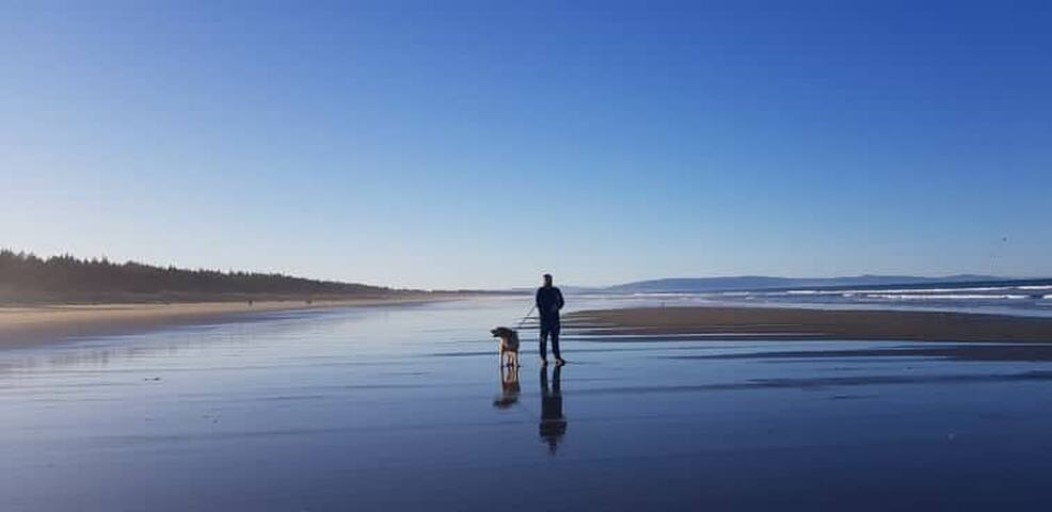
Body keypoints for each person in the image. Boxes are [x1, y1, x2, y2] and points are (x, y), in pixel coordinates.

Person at [535, 273, 565, 365]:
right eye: (546, 280)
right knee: (543, 340)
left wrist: (557, 306)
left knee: (555, 340)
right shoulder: (540, 291)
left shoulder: (556, 290)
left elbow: (562, 302)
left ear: (551, 280)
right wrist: (546, 309)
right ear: (543, 281)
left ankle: (557, 357)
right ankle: (543, 358)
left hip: (555, 319)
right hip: (544, 319)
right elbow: (538, 303)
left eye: (549, 279)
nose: (547, 281)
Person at [539, 365, 567, 455]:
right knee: (553, 386)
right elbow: (564, 423)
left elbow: (542, 423)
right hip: (554, 410)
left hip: (549, 410)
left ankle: (544, 369)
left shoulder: (545, 435)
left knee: (547, 387)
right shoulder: (558, 435)